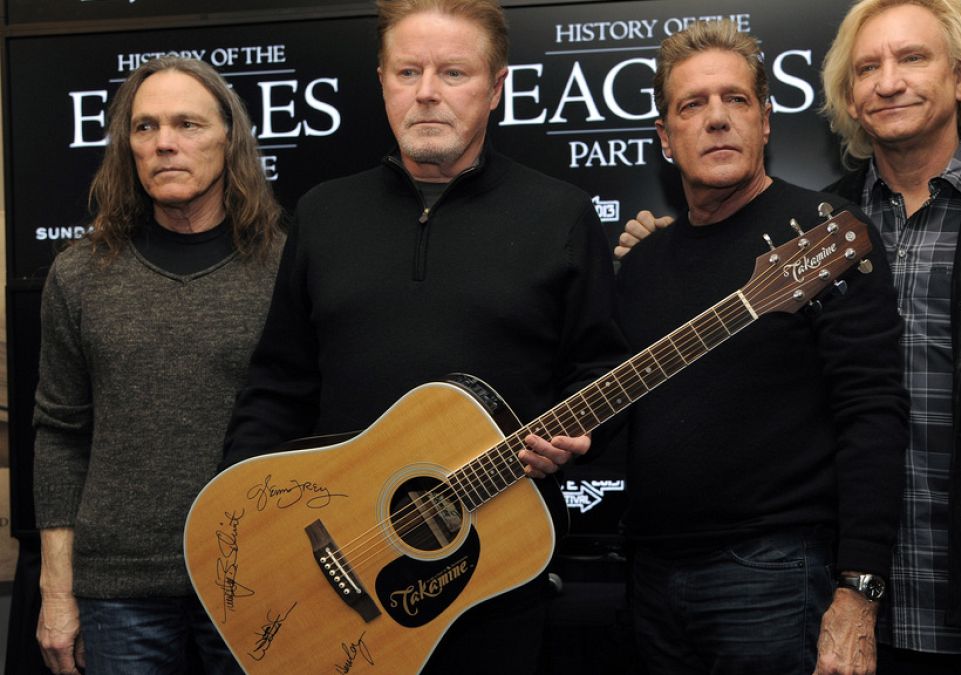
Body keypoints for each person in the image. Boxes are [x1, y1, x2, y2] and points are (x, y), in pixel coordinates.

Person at [618, 1, 961, 672]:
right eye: (868, 67)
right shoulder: (815, 229)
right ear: (849, 98)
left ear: (960, 78)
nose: (888, 81)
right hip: (861, 593)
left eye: (912, 58)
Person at [221, 0, 627, 673]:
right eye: (408, 71)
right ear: (382, 80)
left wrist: (581, 436)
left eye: (454, 72)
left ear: (497, 86)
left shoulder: (561, 213)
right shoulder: (324, 213)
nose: (428, 92)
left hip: (494, 573)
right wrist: (245, 529)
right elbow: (277, 386)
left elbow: (599, 366)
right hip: (336, 569)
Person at [614, 19, 908, 675]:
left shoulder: (827, 236)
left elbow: (873, 411)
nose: (717, 119)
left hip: (774, 576)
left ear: (766, 121)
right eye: (693, 104)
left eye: (735, 100)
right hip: (649, 577)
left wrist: (859, 590)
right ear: (665, 137)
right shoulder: (640, 264)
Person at [32, 56, 285, 675]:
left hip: (259, 580)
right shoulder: (80, 274)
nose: (164, 143)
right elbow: (60, 437)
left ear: (231, 140)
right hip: (119, 592)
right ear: (127, 147)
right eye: (145, 128)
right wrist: (55, 590)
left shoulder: (287, 268)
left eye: (187, 124)